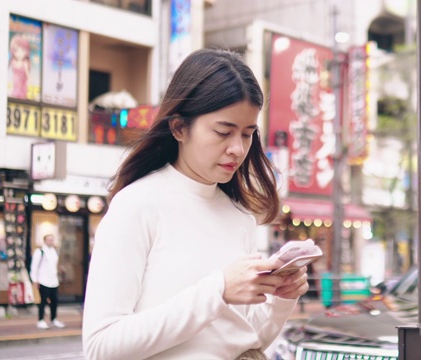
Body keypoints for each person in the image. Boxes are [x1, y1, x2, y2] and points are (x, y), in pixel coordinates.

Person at [82, 48, 310, 360]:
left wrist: (281, 299)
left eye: (247, 134)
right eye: (223, 132)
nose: (237, 149)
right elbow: (101, 346)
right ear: (179, 128)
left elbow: (244, 338)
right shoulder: (137, 206)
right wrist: (216, 291)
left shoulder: (240, 217)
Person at [30, 234, 65, 330]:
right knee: (43, 301)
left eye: (52, 240)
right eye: (49, 240)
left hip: (53, 280)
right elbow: (34, 266)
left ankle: (54, 319)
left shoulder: (55, 251)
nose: (51, 242)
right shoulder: (40, 251)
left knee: (54, 301)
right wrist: (35, 280)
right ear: (44, 241)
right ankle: (40, 320)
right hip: (43, 280)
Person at [8, 34, 31, 99]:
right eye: (16, 50)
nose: (19, 53)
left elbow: (27, 74)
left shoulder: (25, 62)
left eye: (22, 50)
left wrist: (29, 80)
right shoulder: (13, 61)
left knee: (22, 96)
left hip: (22, 84)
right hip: (15, 83)